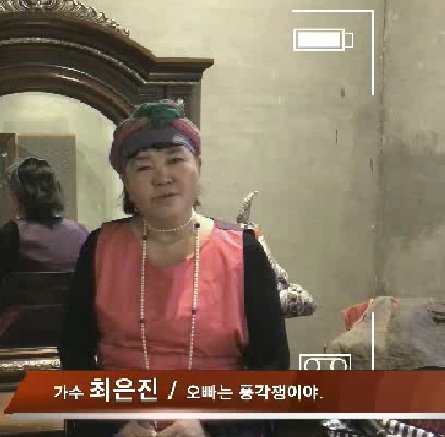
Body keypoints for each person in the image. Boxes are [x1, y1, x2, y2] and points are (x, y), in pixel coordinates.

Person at [59, 101, 290, 437]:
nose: (162, 177)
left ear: (198, 166)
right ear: (126, 183)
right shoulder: (99, 248)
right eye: (143, 167)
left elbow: (272, 372)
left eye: (175, 160)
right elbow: (74, 357)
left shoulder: (244, 251)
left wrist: (208, 428)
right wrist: (114, 425)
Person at [0, 157, 88, 350]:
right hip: (73, 330)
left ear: (19, 195)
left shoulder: (12, 232)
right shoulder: (80, 232)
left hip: (17, 331)